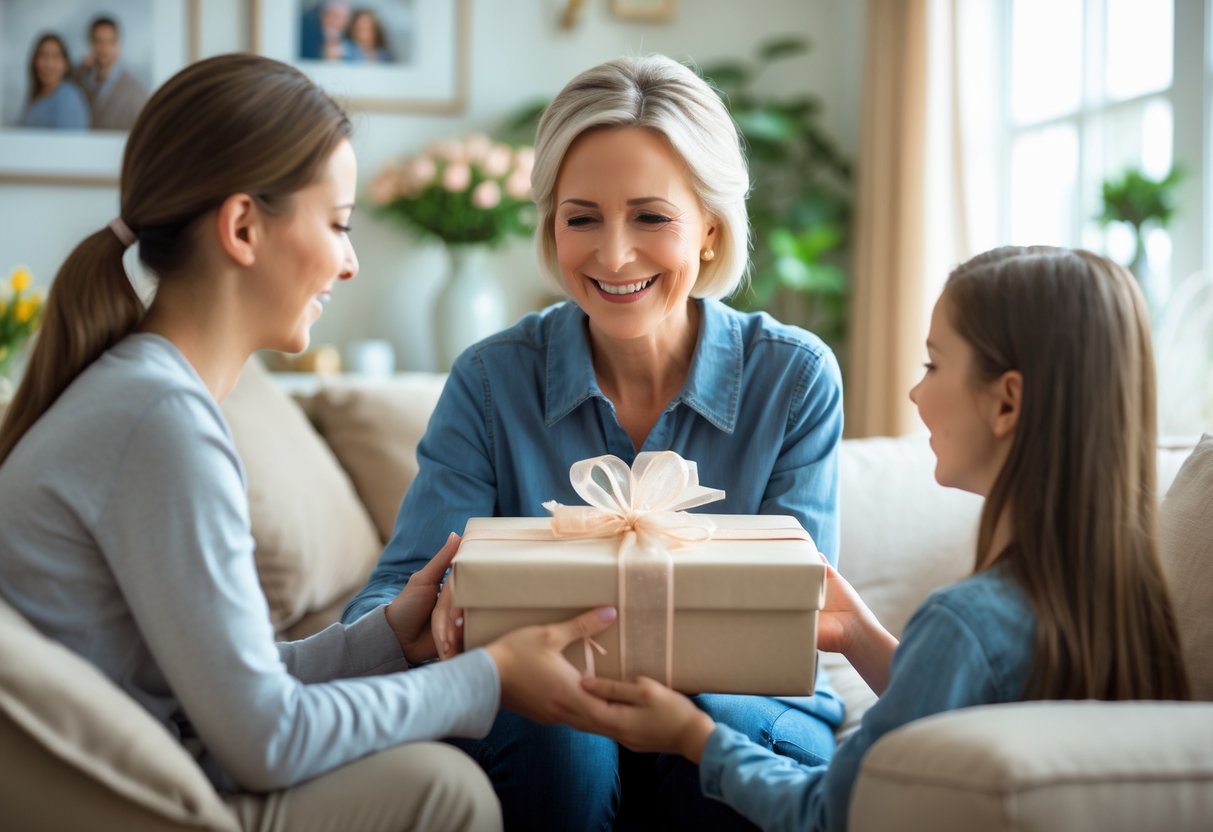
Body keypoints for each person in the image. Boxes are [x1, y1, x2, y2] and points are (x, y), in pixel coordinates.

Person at [0, 53, 618, 832]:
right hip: (131, 797)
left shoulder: (146, 394)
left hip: (163, 753)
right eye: (338, 224)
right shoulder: (160, 420)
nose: (351, 261)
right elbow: (265, 736)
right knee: (441, 790)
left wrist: (392, 637)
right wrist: (487, 677)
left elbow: (235, 682)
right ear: (243, 227)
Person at [345, 54, 845, 830]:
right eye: (582, 218)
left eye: (650, 217)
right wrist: (433, 619)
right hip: (550, 724)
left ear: (709, 230)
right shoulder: (489, 381)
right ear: (551, 226)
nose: (612, 256)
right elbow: (386, 602)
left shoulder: (794, 378)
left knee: (707, 727)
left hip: (737, 713)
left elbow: (793, 617)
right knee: (560, 729)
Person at [577, 246, 1193, 832]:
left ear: (1007, 403)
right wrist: (857, 635)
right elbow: (969, 714)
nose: (915, 392)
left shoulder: (966, 623)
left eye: (933, 364)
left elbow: (828, 816)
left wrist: (691, 736)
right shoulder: (1128, 604)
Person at [72, 15, 149, 131]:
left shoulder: (135, 91)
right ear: (90, 44)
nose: (104, 48)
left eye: (110, 42)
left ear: (118, 45)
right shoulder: (80, 78)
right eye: (98, 41)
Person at [17, 33, 90, 129]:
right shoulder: (36, 98)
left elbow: (68, 142)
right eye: (43, 56)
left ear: (65, 64)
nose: (49, 64)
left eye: (55, 57)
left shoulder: (68, 98)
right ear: (35, 61)